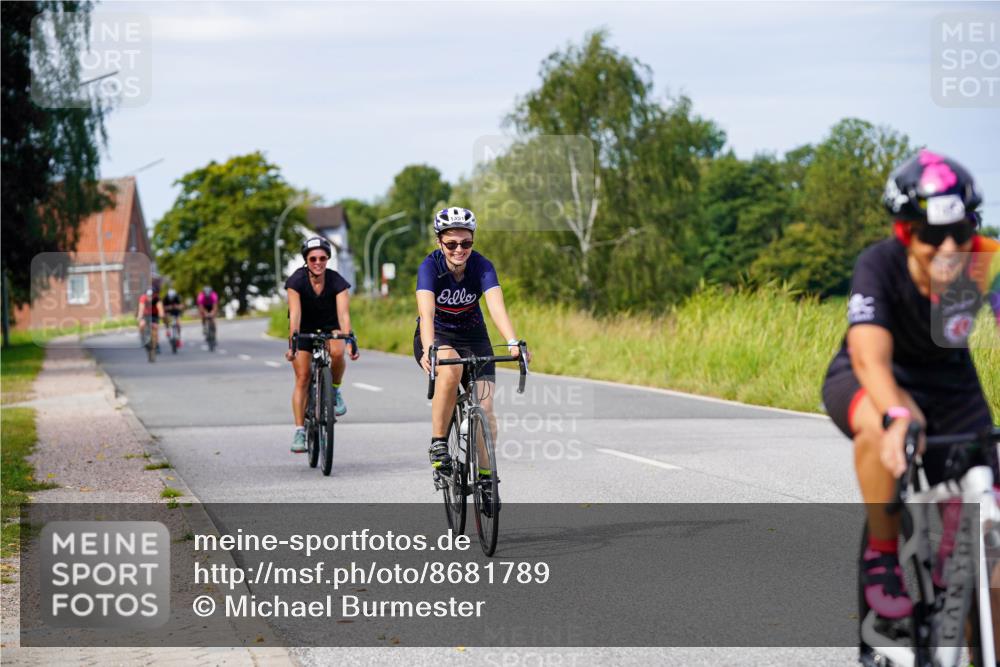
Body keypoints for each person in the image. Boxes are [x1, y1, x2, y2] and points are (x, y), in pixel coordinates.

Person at [820, 150, 999, 647]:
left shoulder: (986, 262)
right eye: (930, 235)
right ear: (905, 234)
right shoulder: (879, 264)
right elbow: (869, 357)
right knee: (885, 424)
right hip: (874, 377)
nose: (948, 248)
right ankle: (882, 554)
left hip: (951, 388)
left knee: (990, 551)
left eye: (960, 234)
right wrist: (896, 413)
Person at [414, 207, 531, 502]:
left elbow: (496, 308)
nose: (459, 250)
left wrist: (513, 340)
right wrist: (431, 348)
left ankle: (486, 477)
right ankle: (439, 444)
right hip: (437, 335)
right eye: (452, 244)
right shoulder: (430, 267)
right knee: (451, 372)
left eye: (466, 243)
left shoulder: (482, 266)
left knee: (486, 407)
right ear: (440, 242)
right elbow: (426, 314)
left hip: (474, 337)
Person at [284, 236, 359, 454]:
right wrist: (293, 343)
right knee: (303, 377)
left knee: (336, 352)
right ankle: (299, 430)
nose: (318, 262)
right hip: (304, 329)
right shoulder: (296, 281)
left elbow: (344, 315)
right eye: (313, 258)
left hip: (329, 326)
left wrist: (349, 340)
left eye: (323, 258)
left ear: (328, 259)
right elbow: (295, 314)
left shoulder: (337, 281)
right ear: (306, 260)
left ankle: (334, 390)